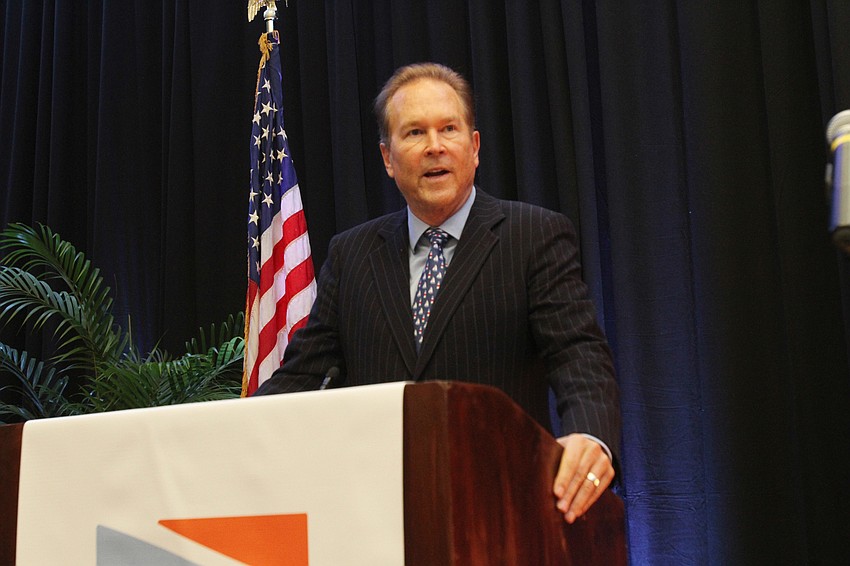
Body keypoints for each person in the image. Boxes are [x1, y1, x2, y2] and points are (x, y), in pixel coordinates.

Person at [254, 62, 621, 524]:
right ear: (388, 158)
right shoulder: (352, 255)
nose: (434, 147)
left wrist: (591, 435)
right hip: (379, 516)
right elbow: (301, 376)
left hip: (502, 509)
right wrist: (219, 438)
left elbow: (578, 354)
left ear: (474, 146)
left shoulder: (534, 236)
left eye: (449, 128)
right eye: (414, 133)